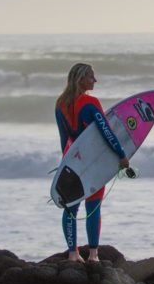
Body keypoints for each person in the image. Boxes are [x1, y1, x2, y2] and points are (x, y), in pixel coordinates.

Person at [55, 63, 130, 262]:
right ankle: (94, 255)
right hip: (93, 162)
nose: (94, 81)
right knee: (93, 207)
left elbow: (64, 139)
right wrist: (121, 155)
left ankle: (73, 254)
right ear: (80, 79)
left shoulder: (60, 104)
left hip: (71, 161)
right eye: (91, 77)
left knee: (70, 207)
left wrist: (65, 164)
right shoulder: (90, 103)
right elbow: (106, 132)